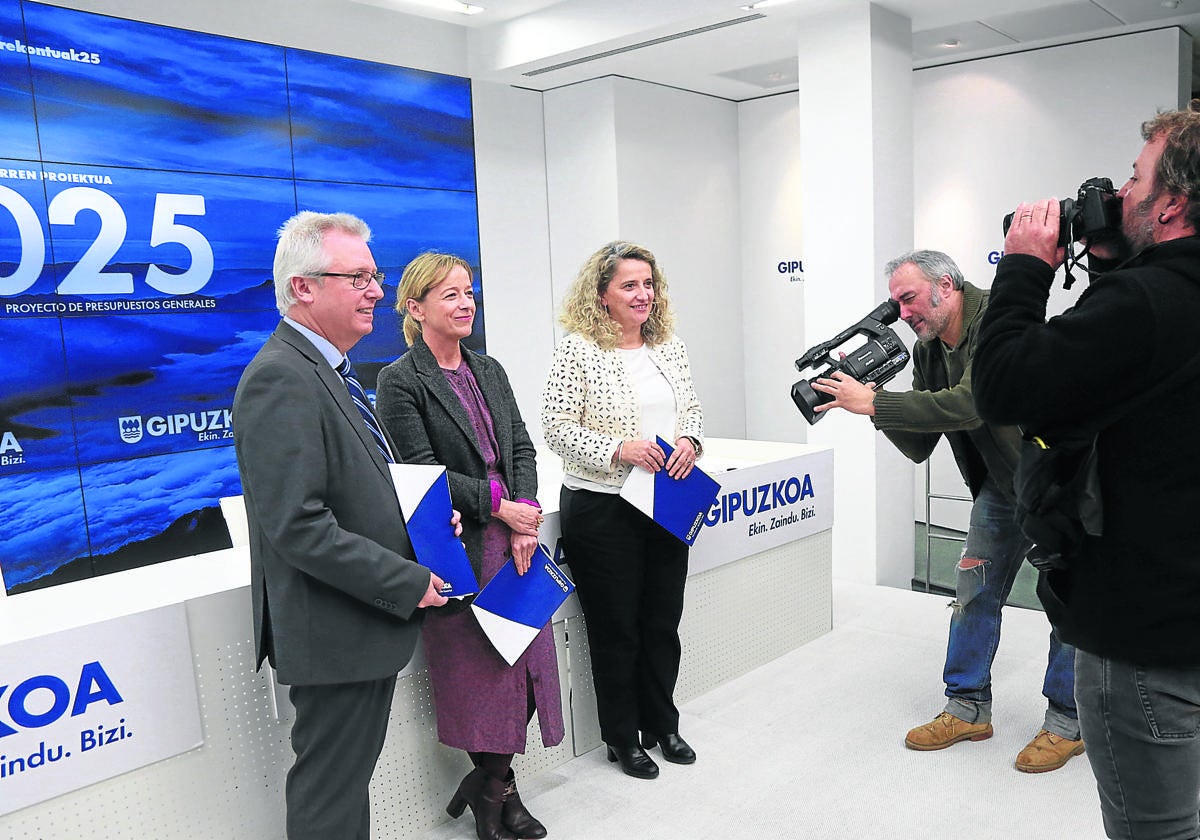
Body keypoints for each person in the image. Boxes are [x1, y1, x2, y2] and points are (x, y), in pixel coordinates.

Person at [974, 102, 1200, 839]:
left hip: (1144, 637)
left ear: (1171, 203)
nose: (1120, 196)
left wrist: (1023, 269)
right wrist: (1109, 267)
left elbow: (1004, 386)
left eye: (1136, 181)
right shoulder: (1157, 299)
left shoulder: (1148, 303)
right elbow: (1125, 376)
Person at [810, 249, 1082, 773]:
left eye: (908, 299)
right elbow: (920, 445)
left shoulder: (1002, 318)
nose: (904, 313)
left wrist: (874, 403)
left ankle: (1067, 722)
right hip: (1000, 490)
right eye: (896, 304)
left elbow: (973, 402)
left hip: (1055, 482)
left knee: (1065, 603)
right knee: (972, 594)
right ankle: (967, 706)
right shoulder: (929, 350)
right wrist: (871, 401)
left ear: (947, 286)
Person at [232, 211, 452, 840]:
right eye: (357, 278)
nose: (377, 292)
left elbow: (358, 492)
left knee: (346, 787)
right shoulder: (281, 376)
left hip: (357, 622)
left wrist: (426, 527)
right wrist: (406, 580)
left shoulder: (328, 370)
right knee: (330, 797)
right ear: (303, 287)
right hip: (333, 630)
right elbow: (298, 526)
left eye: (374, 276)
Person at [375, 253, 564, 840]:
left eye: (469, 292)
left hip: (518, 538)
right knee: (486, 683)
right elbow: (419, 472)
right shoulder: (400, 381)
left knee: (527, 677)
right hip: (460, 547)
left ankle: (486, 787)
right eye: (451, 295)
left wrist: (526, 516)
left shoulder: (490, 368)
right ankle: (498, 795)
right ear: (415, 307)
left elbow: (523, 450)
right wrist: (498, 505)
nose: (465, 304)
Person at [539, 240, 704, 781]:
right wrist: (618, 449)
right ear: (602, 294)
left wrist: (690, 443)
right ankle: (622, 736)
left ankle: (663, 723)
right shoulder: (578, 350)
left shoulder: (669, 346)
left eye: (648, 284)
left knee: (662, 622)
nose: (642, 295)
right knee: (616, 631)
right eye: (628, 285)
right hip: (602, 506)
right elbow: (557, 430)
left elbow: (692, 410)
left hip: (666, 502)